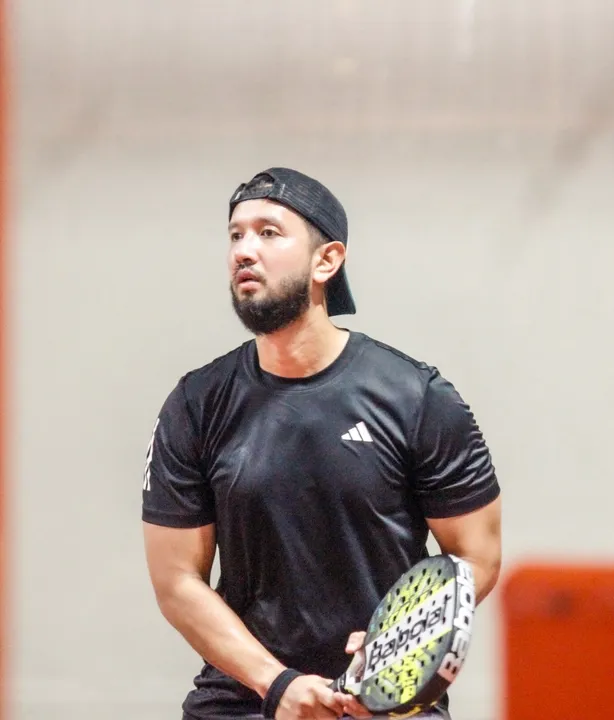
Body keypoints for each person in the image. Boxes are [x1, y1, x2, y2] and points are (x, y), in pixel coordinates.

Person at [141, 167, 502, 720]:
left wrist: (398, 644)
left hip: (380, 703)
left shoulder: (417, 397)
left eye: (268, 232)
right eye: (236, 235)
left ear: (326, 260)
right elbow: (176, 581)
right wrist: (277, 684)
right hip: (246, 700)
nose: (243, 250)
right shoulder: (196, 404)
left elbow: (477, 555)